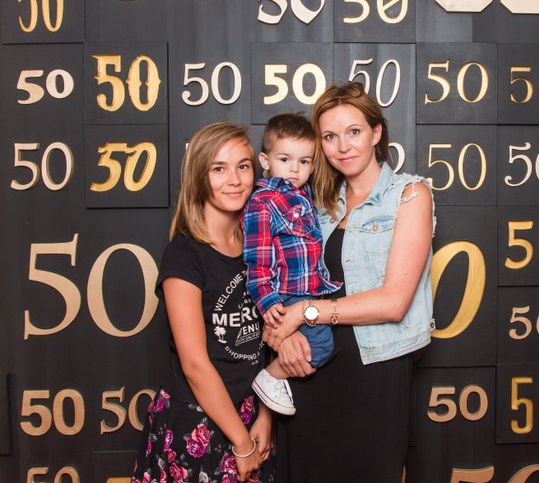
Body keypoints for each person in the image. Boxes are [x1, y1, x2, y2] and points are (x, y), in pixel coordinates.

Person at [265, 82, 435, 482]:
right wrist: (285, 336)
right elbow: (279, 274)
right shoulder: (312, 201)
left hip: (374, 370)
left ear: (376, 133)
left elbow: (394, 302)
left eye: (353, 132)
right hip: (309, 366)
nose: (342, 146)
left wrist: (305, 312)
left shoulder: (410, 195)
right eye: (329, 136)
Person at [131, 122, 275, 483]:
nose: (235, 180)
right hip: (198, 420)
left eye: (243, 166)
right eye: (218, 168)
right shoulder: (184, 255)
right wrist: (241, 442)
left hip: (252, 413)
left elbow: (270, 342)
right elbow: (195, 364)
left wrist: (266, 415)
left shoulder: (259, 245)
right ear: (199, 176)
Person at [243, 113, 341, 416]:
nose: (295, 169)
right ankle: (270, 378)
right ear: (265, 160)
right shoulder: (263, 202)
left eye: (304, 161)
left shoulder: (303, 194)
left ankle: (273, 380)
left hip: (309, 291)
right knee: (321, 347)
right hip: (286, 294)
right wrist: (267, 300)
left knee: (321, 346)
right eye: (285, 159)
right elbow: (257, 258)